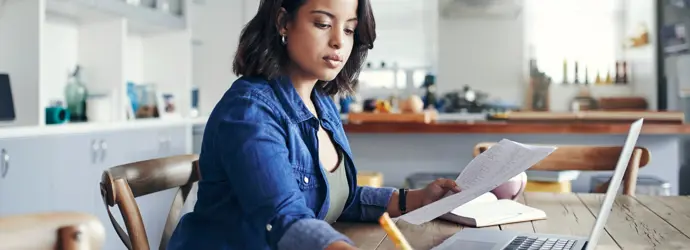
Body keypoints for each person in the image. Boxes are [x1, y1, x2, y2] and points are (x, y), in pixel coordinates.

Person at [166, 0, 461, 249]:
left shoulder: (322, 104)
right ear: (284, 22)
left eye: (349, 29)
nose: (339, 41)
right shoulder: (249, 111)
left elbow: (337, 199)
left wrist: (416, 199)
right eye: (322, 24)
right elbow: (284, 217)